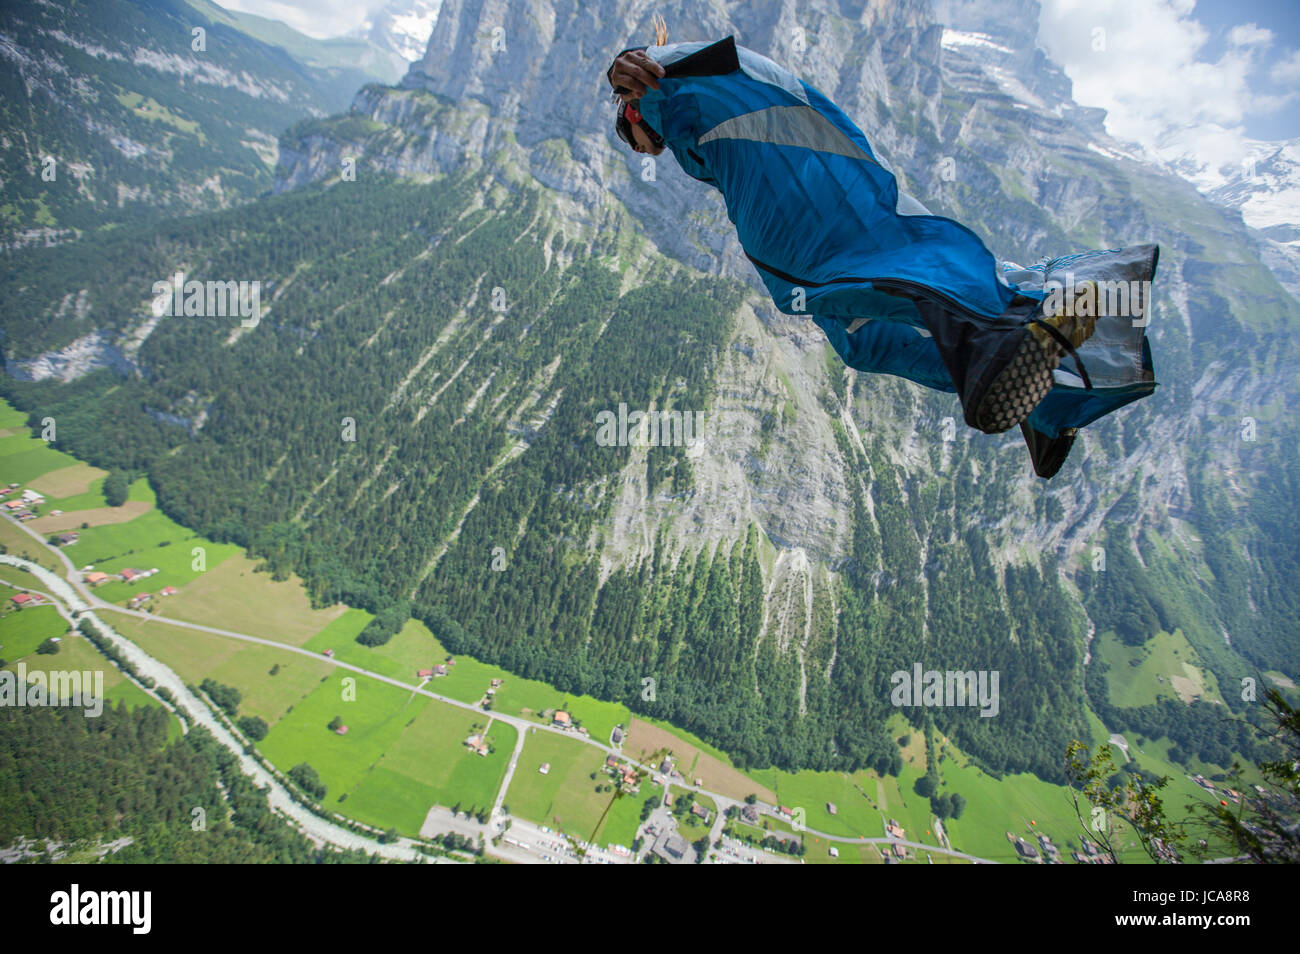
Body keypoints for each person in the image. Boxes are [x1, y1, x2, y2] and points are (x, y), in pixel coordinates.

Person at [606, 32, 1159, 479]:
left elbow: (657, 66)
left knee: (867, 281)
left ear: (633, 118)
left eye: (640, 145)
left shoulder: (667, 84)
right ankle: (1048, 389)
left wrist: (622, 71)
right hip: (795, 198)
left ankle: (1016, 329)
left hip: (797, 204)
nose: (649, 153)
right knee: (862, 338)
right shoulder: (686, 118)